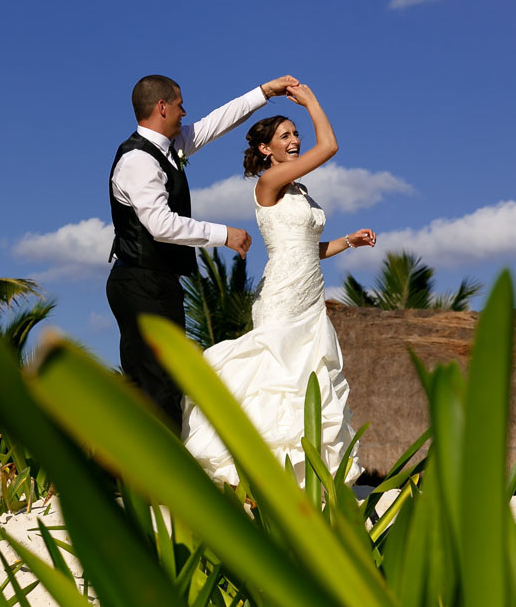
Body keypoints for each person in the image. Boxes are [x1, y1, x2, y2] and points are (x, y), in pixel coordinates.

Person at [182, 83, 370, 485]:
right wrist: (313, 102)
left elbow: (305, 248)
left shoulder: (298, 189)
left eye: (296, 133)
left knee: (310, 377)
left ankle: (306, 477)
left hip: (310, 293)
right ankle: (255, 472)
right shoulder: (269, 183)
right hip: (283, 293)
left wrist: (348, 242)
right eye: (285, 135)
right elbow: (330, 146)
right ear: (266, 149)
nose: (296, 140)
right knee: (277, 375)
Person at [107, 73, 298, 429]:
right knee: (158, 385)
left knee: (158, 383)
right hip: (140, 282)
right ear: (162, 107)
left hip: (157, 282)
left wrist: (263, 92)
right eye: (180, 105)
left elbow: (215, 123)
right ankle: (157, 478)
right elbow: (161, 225)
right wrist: (224, 234)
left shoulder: (168, 147)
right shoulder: (138, 161)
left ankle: (132, 478)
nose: (185, 112)